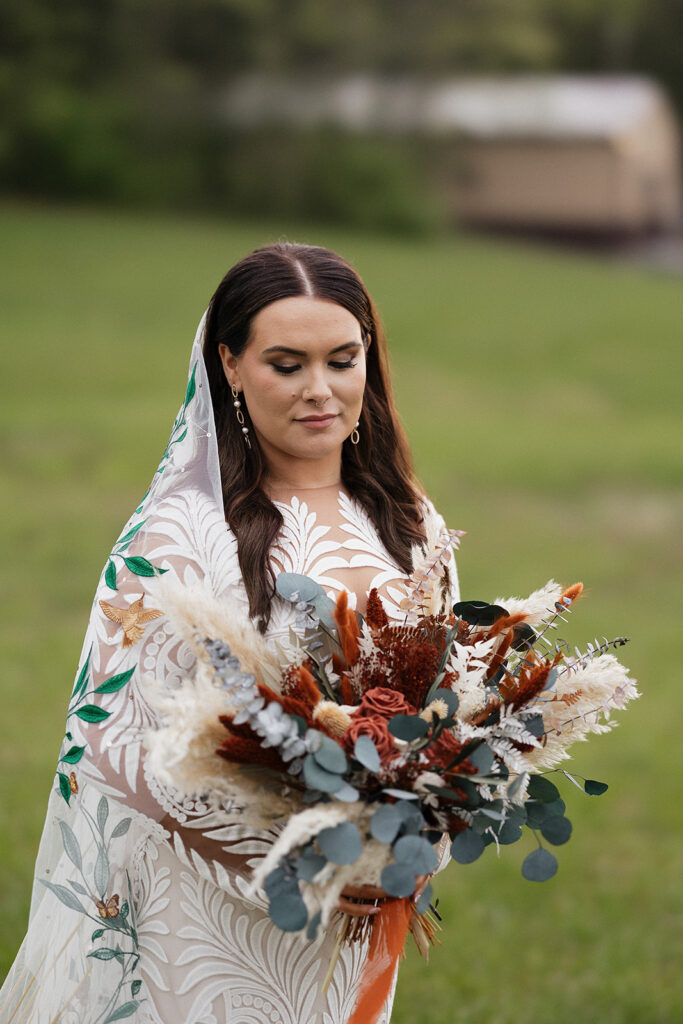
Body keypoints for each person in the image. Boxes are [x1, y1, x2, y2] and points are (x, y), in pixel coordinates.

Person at [0, 243, 459, 1023]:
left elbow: (445, 706)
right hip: (208, 912)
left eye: (343, 359)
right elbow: (111, 742)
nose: (321, 390)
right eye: (287, 364)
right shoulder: (179, 534)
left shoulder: (408, 522)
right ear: (230, 366)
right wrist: (301, 864)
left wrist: (412, 836)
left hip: (357, 909)